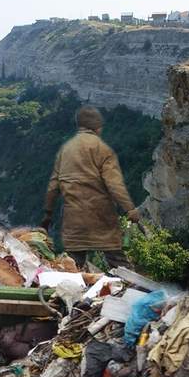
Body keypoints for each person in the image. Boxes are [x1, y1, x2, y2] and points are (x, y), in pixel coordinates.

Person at [41, 106, 140, 269]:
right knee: (119, 264)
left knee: (74, 266)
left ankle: (71, 292)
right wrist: (130, 209)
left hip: (73, 218)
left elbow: (53, 186)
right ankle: (130, 291)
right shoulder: (103, 150)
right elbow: (115, 185)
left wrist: (47, 214)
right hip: (100, 215)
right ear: (97, 127)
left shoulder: (65, 150)